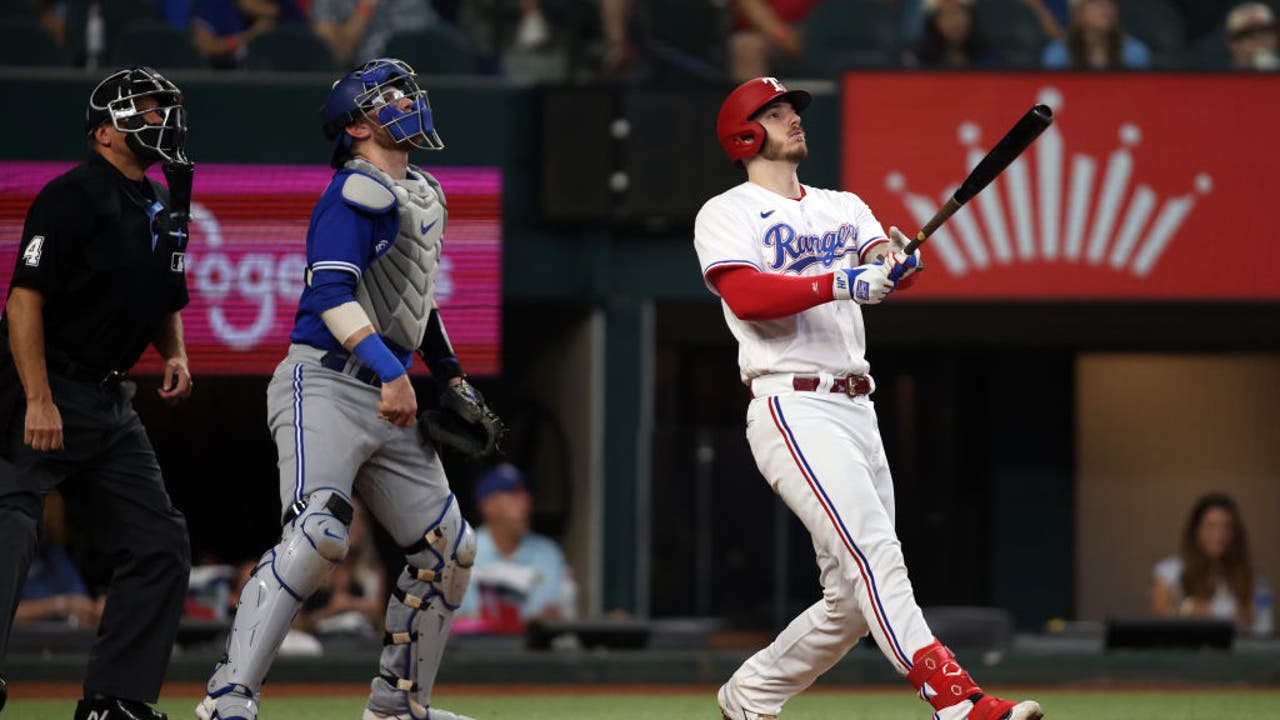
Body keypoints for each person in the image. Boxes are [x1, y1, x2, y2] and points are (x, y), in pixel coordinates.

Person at [696, 77, 1041, 720]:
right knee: (875, 552)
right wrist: (846, 279)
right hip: (790, 401)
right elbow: (748, 297)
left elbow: (883, 259)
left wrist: (895, 260)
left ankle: (751, 696)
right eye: (775, 113)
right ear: (744, 134)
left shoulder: (843, 205)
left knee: (851, 600)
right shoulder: (727, 211)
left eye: (792, 110)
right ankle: (956, 699)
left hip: (856, 403)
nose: (793, 120)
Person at [197, 57, 502, 720]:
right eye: (389, 97)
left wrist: (449, 375)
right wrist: (396, 375)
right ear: (359, 124)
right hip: (325, 381)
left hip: (387, 388)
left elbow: (412, 306)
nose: (406, 101)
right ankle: (227, 697)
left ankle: (398, 704)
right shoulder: (351, 191)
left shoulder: (422, 192)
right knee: (320, 533)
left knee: (450, 549)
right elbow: (330, 293)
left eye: (406, 90)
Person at [0, 66, 195, 720]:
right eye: (144, 109)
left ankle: (115, 701)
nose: (160, 119)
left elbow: (163, 290)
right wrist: (37, 398)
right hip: (44, 383)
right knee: (9, 527)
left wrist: (174, 351)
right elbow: (23, 302)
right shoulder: (72, 195)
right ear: (106, 132)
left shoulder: (156, 203)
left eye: (163, 108)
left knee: (158, 543)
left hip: (111, 403)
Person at [456, 464, 571, 631]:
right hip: (480, 652)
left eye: (525, 493)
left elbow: (555, 614)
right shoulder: (463, 552)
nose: (525, 501)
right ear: (487, 505)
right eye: (513, 494)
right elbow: (454, 621)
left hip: (534, 653)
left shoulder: (548, 552)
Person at [1151, 493, 1268, 633]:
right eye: (1211, 526)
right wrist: (1187, 609)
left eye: (1226, 526)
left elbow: (1261, 625)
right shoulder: (1171, 570)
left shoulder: (1250, 578)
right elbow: (1157, 615)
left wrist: (1244, 620)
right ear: (1196, 530)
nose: (1219, 534)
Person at [310, 0, 439, 66]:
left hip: (398, 82)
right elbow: (326, 46)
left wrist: (364, 10)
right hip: (343, 80)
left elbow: (407, 49)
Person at [727, 0, 823, 82]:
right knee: (747, 45)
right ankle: (755, 101)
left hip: (816, 26)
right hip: (767, 33)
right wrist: (782, 35)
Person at [1041, 0, 1149, 70]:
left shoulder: (1134, 52)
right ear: (1078, 13)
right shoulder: (1058, 54)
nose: (1107, 10)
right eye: (1097, 3)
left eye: (1111, 4)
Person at [908, 0, 996, 69]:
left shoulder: (987, 56)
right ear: (934, 23)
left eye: (959, 13)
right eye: (947, 15)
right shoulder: (919, 61)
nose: (955, 22)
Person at [1225, 2, 1279, 70]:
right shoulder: (1216, 77)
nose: (1259, 41)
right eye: (1249, 35)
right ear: (1233, 45)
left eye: (1265, 33)